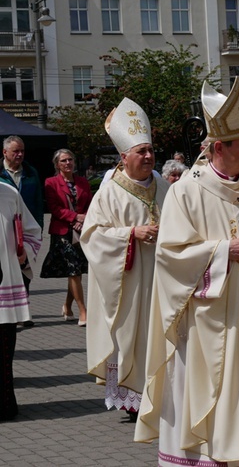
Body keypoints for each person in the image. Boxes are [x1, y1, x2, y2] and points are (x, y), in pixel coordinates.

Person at [135, 79, 239, 466]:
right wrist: (224, 251)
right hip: (206, 325)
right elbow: (170, 256)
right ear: (218, 147)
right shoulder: (187, 191)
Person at [80, 98, 170, 422]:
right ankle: (134, 402)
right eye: (141, 152)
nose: (148, 156)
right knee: (132, 336)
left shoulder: (164, 186)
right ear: (124, 157)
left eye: (150, 150)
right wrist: (132, 234)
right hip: (129, 285)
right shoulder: (109, 193)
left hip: (161, 280)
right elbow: (91, 236)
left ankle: (160, 395)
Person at [0, 183, 41, 421]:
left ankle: (5, 405)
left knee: (4, 351)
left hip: (4, 284)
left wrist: (24, 252)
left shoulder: (9, 193)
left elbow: (32, 231)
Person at [40, 149, 92, 327]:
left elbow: (91, 204)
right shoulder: (51, 182)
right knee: (74, 270)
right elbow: (54, 208)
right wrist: (74, 217)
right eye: (63, 161)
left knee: (75, 271)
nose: (68, 163)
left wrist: (83, 218)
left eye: (70, 159)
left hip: (80, 231)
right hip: (62, 232)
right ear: (57, 165)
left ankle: (67, 306)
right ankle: (83, 311)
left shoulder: (83, 182)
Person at [1, 135, 44, 327]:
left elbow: (37, 203)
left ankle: (21, 311)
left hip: (19, 234)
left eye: (22, 151)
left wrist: (36, 232)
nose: (19, 155)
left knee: (23, 273)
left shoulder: (30, 173)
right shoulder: (1, 173)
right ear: (4, 153)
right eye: (15, 151)